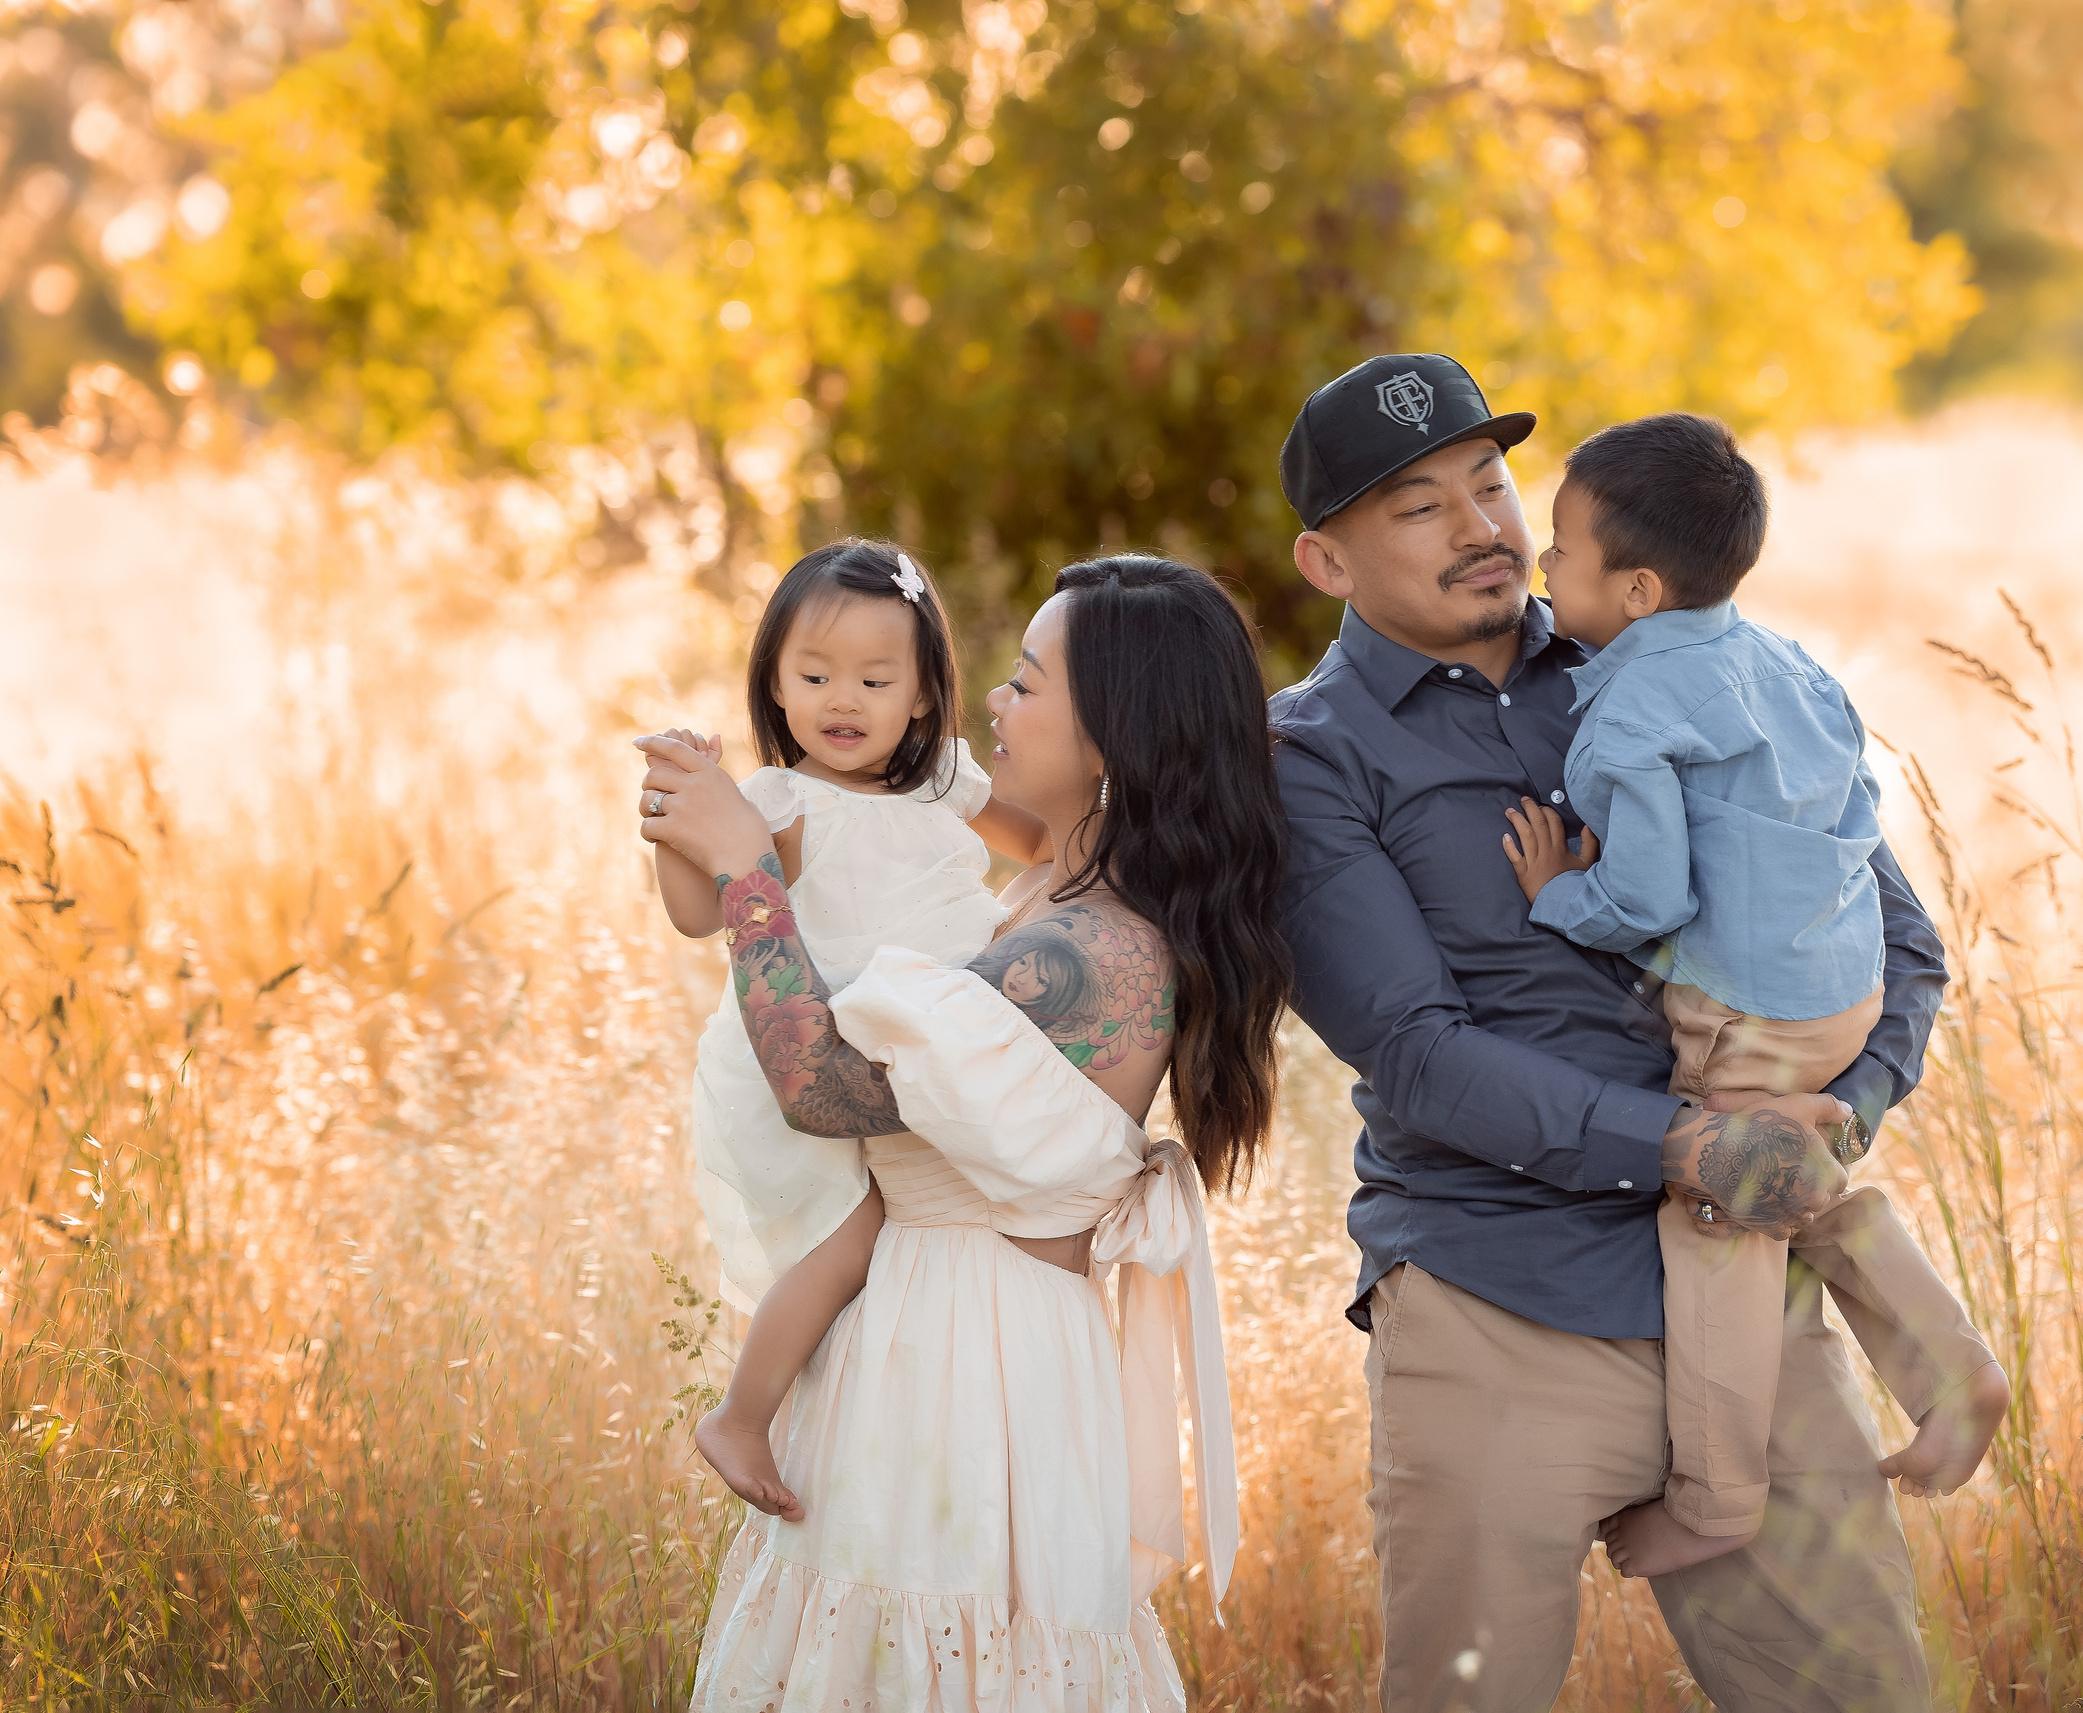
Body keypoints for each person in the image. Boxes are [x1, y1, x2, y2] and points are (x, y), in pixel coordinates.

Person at [1268, 352, 1951, 1711]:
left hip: (1750, 1291)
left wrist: (1838, 1112)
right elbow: (1414, 1050)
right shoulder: (1306, 756)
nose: (1482, 528)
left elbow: (1898, 940)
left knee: (1863, 1694)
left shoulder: (1688, 657)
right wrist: (1696, 1143)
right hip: (1498, 1313)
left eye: (1491, 482)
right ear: (1326, 563)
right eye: (1418, 507)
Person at [636, 554, 1291, 1709]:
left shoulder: (1080, 954)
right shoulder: (1055, 898)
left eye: (1028, 683)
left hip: (971, 1359)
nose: (994, 700)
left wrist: (749, 870)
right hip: (933, 1317)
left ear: (1112, 735)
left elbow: (819, 1089)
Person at [1498, 412, 2009, 1582]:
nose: (1541, 565)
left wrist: (1555, 892)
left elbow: (1646, 895)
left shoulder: (1624, 712)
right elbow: (1850, 813)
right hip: (1838, 990)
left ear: (1631, 590)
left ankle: (1718, 1498)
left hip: (1749, 1011)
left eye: (1561, 551)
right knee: (1796, 1178)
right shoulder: (1785, 660)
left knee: (1719, 1214)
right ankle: (1948, 1366)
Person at [647, 539, 1046, 1520]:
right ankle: (741, 1415)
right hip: (823, 1043)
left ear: (921, 694)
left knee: (949, 1226)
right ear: (774, 683)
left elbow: (1045, 841)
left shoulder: (947, 779)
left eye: (875, 678)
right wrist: (670, 823)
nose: (843, 699)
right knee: (855, 1233)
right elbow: (703, 914)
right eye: (814, 674)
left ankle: (907, 1420)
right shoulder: (782, 801)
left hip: (933, 1040)